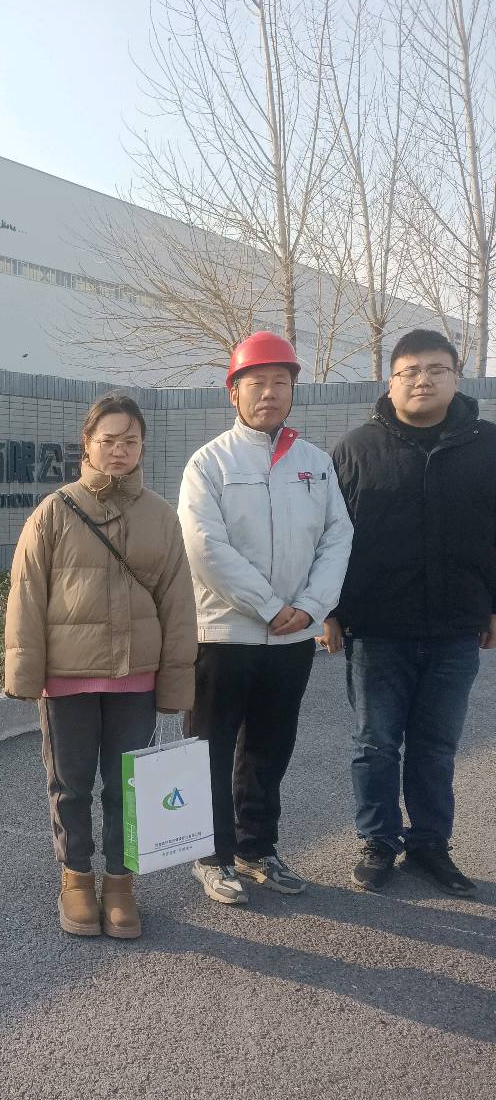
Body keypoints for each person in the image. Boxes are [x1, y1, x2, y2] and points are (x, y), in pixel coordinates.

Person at [5, 392, 197, 939]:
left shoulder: (160, 516)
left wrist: (176, 682)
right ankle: (75, 878)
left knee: (127, 787)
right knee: (70, 785)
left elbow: (178, 603)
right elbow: (27, 594)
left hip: (135, 678)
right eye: (108, 440)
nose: (119, 450)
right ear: (86, 444)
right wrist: (26, 674)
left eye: (130, 441)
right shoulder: (55, 511)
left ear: (142, 447)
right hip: (66, 679)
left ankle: (120, 883)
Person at [178, 332, 353, 906]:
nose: (270, 393)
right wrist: (271, 606)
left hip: (292, 638)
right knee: (209, 748)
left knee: (269, 749)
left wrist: (311, 607)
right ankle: (211, 856)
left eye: (281, 382)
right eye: (256, 382)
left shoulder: (315, 464)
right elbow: (204, 546)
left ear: (293, 391)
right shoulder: (210, 462)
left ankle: (257, 848)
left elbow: (338, 536)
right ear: (233, 392)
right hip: (224, 634)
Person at [321, 328, 496, 895]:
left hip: (455, 626)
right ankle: (378, 842)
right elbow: (328, 537)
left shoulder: (488, 446)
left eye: (437, 369)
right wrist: (329, 610)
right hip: (376, 627)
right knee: (375, 744)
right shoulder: (355, 450)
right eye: (411, 371)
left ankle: (429, 847)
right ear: (391, 381)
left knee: (436, 746)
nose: (423, 380)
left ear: (456, 378)